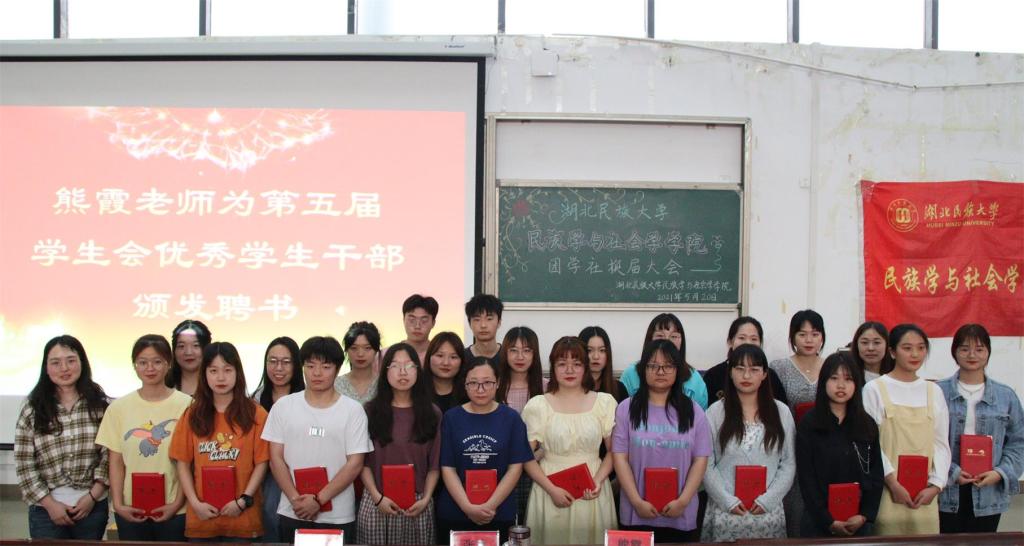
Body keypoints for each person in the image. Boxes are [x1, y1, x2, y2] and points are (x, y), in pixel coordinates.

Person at [261, 336, 373, 542]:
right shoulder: (283, 407)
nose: (317, 373)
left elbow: (355, 463)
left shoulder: (353, 410)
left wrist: (318, 500)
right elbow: (275, 458)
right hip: (292, 510)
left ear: (337, 369)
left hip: (337, 514)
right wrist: (295, 499)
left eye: (326, 366)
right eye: (310, 366)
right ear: (302, 367)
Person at [612, 339, 711, 543]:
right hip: (636, 510)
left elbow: (700, 460)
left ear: (678, 370)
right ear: (643, 370)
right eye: (653, 366)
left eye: (668, 366)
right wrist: (636, 502)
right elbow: (620, 458)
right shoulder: (626, 409)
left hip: (680, 511)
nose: (660, 371)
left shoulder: (694, 411)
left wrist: (683, 501)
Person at [96, 334, 193, 541]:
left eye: (157, 362)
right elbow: (116, 461)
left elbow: (189, 461)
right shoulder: (118, 408)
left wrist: (177, 503)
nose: (150, 368)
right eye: (143, 362)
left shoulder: (187, 405)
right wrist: (119, 504)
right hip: (130, 509)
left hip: (176, 510)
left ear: (168, 364)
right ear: (135, 366)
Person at [170, 342, 270, 542]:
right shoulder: (192, 414)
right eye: (213, 371)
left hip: (243, 519)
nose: (221, 377)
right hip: (202, 518)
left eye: (227, 370)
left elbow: (262, 463)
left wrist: (243, 500)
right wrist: (195, 504)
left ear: (237, 373)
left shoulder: (256, 414)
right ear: (204, 374)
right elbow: (182, 463)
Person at [522, 336, 617, 545]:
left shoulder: (604, 402)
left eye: (576, 364)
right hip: (549, 488)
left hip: (592, 487)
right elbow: (525, 456)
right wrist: (551, 489)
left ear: (585, 368)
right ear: (553, 368)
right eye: (562, 364)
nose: (569, 370)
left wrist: (598, 480)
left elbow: (613, 451)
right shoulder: (538, 405)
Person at [15, 335, 111, 540]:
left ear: (82, 363)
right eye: (55, 363)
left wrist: (92, 497)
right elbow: (24, 463)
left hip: (92, 506)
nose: (64, 368)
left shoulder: (100, 405)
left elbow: (109, 455)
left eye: (71, 360)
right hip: (45, 510)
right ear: (46, 368)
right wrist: (50, 505)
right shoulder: (32, 409)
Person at [862, 324, 950, 535]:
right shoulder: (874, 389)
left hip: (925, 494)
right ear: (892, 352)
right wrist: (893, 483)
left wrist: (936, 485)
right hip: (887, 491)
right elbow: (869, 444)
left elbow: (941, 444)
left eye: (921, 348)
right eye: (907, 348)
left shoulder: (934, 391)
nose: (915, 354)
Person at [702, 344, 795, 542]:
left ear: (764, 374)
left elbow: (789, 463)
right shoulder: (715, 412)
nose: (746, 375)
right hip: (725, 512)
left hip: (768, 513)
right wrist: (727, 500)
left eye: (754, 369)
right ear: (730, 372)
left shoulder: (782, 412)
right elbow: (706, 463)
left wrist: (768, 500)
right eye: (739, 368)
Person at [937, 323, 1024, 533]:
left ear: (988, 352)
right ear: (954, 352)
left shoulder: (1006, 396)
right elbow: (927, 440)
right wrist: (952, 471)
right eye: (964, 349)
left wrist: (1000, 472)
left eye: (979, 349)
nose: (972, 355)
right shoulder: (937, 391)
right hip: (946, 488)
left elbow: (1018, 442)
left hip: (989, 491)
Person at [436, 357, 532, 544]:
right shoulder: (451, 418)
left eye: (487, 382)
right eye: (473, 383)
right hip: (455, 511)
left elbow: (515, 468)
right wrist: (467, 507)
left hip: (498, 511)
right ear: (465, 385)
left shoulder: (511, 418)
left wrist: (490, 505)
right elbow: (447, 467)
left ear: (498, 383)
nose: (480, 389)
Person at [357, 344, 441, 545]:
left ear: (418, 371)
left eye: (409, 366)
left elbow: (434, 466)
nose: (402, 372)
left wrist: (426, 499)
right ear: (385, 371)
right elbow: (362, 463)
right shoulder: (369, 411)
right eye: (395, 366)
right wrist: (377, 498)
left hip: (418, 504)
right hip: (377, 501)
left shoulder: (432, 413)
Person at [796, 352, 883, 537]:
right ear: (824, 382)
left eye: (848, 379)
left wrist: (864, 515)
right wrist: (828, 521)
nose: (841, 385)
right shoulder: (809, 423)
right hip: (818, 522)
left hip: (858, 521)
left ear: (856, 383)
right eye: (834, 378)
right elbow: (806, 478)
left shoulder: (867, 424)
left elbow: (876, 473)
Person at [768, 309, 826, 536]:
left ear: (822, 337)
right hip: (789, 447)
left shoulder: (832, 366)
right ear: (792, 337)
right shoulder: (778, 367)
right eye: (802, 334)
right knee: (794, 510)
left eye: (815, 334)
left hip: (823, 448)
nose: (809, 340)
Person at [251, 337, 304, 542]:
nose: (278, 368)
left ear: (296, 365)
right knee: (268, 515)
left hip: (298, 470)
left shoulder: (307, 398)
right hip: (263, 471)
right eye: (272, 361)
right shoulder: (254, 400)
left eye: (286, 362)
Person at [617, 314, 708, 410]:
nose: (667, 341)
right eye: (660, 335)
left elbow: (700, 414)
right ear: (650, 339)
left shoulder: (695, 380)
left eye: (674, 336)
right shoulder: (630, 374)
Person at [702, 317, 788, 405]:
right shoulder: (713, 375)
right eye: (742, 338)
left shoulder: (770, 376)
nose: (748, 343)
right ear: (730, 342)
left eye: (754, 339)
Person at [496, 326, 548, 413]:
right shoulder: (495, 386)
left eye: (526, 350)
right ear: (505, 353)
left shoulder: (547, 387)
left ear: (534, 354)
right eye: (513, 350)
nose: (520, 357)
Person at [335, 321, 381, 404]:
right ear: (346, 350)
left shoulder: (384, 384)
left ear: (376, 350)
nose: (360, 354)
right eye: (354, 348)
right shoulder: (335, 385)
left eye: (367, 348)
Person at [579, 326, 627, 403]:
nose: (596, 356)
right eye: (589, 350)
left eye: (602, 350)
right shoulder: (573, 388)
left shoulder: (619, 389)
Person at [423, 332, 467, 413]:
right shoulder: (416, 391)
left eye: (453, 357)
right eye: (440, 356)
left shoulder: (469, 394)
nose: (446, 363)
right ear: (429, 357)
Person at [168, 320, 213, 397]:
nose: (188, 352)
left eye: (196, 345)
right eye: (181, 346)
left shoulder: (219, 382)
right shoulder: (162, 382)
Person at [464, 294, 504, 366]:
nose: (483, 325)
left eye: (489, 319)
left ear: (499, 322)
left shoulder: (508, 357)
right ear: (469, 323)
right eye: (477, 319)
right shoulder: (462, 358)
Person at [399, 294, 438, 364]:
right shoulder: (386, 355)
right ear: (403, 320)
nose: (417, 326)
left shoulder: (440, 358)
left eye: (424, 321)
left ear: (433, 323)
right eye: (412, 320)